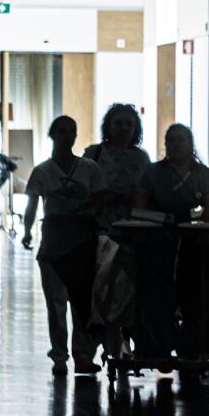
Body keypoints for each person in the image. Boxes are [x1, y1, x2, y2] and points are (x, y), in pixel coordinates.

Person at [21, 116, 106, 375]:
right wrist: (26, 231)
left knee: (81, 303)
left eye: (71, 131)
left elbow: (101, 201)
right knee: (56, 304)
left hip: (82, 243)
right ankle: (59, 355)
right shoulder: (42, 171)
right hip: (53, 244)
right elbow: (32, 204)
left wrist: (90, 215)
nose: (66, 135)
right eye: (61, 130)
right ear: (52, 134)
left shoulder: (89, 168)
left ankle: (83, 354)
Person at [133, 124, 209, 361]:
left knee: (196, 297)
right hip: (157, 242)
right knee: (157, 296)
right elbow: (139, 207)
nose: (175, 144)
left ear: (191, 144)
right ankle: (158, 347)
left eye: (181, 140)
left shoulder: (204, 174)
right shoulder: (152, 173)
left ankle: (193, 351)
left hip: (197, 245)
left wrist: (195, 218)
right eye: (171, 140)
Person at [82, 103, 150, 358]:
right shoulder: (95, 153)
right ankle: (104, 336)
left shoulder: (141, 158)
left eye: (128, 124)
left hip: (134, 232)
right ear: (108, 126)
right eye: (118, 123)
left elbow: (147, 193)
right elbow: (83, 188)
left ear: (136, 129)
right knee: (104, 283)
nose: (123, 129)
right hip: (101, 230)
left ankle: (124, 337)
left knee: (131, 286)